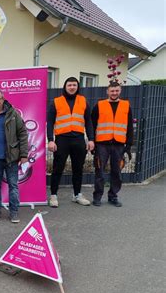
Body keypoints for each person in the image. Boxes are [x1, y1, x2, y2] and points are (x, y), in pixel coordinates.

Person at [47, 77, 94, 208]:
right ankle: (53, 195)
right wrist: (50, 140)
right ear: (65, 86)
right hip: (62, 140)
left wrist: (91, 139)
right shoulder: (56, 102)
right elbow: (50, 122)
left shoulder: (83, 101)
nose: (72, 87)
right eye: (69, 85)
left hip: (78, 139)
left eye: (74, 85)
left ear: (77, 87)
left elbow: (88, 122)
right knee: (57, 168)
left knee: (78, 169)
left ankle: (77, 195)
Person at [0, 90, 28, 223]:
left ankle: (14, 212)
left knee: (13, 185)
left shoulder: (12, 114)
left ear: (3, 99)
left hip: (11, 157)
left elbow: (22, 133)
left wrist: (23, 154)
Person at [91, 82, 133, 207]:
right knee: (100, 172)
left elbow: (129, 126)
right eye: (112, 91)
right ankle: (97, 197)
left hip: (119, 145)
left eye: (116, 90)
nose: (114, 93)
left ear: (120, 91)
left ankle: (113, 196)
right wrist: (92, 142)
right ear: (107, 91)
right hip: (102, 144)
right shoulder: (99, 105)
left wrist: (129, 145)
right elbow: (92, 125)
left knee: (117, 172)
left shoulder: (126, 106)